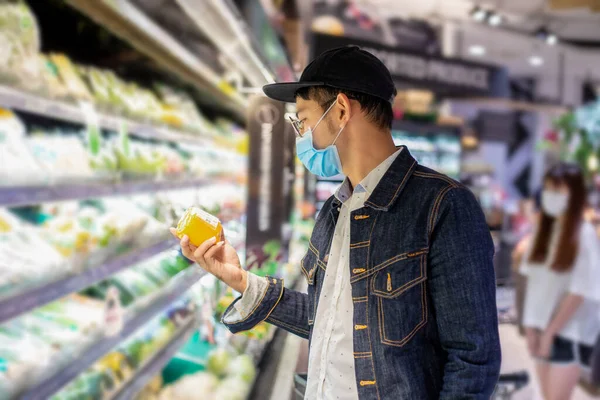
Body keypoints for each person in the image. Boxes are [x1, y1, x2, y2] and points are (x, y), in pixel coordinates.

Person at [171, 46, 501, 399]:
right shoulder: (335, 210)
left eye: (304, 119)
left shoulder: (443, 206)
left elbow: (472, 360)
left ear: (341, 110)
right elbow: (328, 319)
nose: (301, 134)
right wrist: (239, 279)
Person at [520, 163, 600, 400]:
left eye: (558, 190)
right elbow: (532, 283)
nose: (551, 196)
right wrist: (532, 327)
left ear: (574, 194)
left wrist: (550, 334)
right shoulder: (543, 231)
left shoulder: (583, 233)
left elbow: (579, 291)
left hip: (570, 330)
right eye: (547, 189)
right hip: (542, 325)